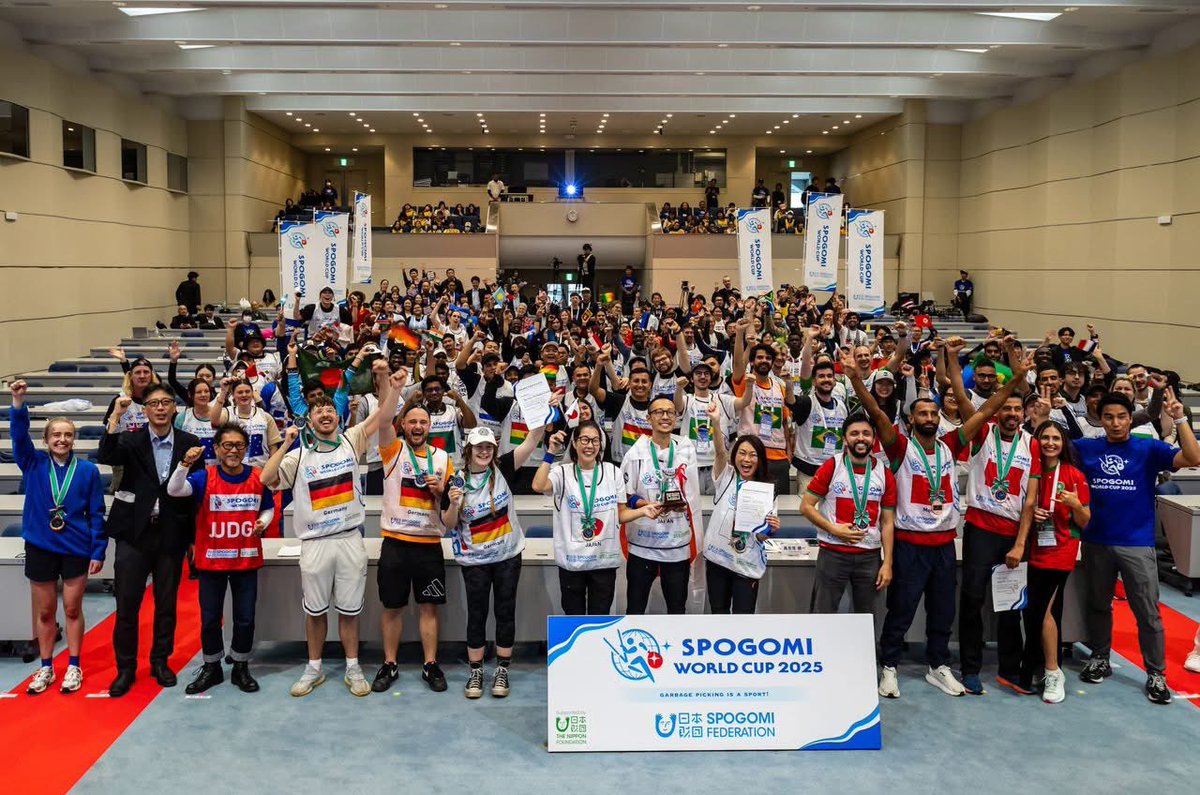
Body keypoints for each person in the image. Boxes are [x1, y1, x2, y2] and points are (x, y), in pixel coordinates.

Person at [846, 341, 1025, 699]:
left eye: (932, 413)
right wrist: (855, 380)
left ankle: (938, 665)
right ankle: (890, 666)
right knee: (901, 610)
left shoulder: (951, 443)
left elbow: (987, 410)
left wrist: (1017, 377)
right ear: (911, 419)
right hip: (910, 544)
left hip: (944, 544)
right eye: (922, 414)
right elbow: (876, 413)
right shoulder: (898, 447)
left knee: (943, 611)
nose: (929, 418)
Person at [261, 360, 392, 698]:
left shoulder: (352, 440)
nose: (324, 415)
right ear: (310, 419)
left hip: (349, 539)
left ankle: (352, 666)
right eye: (317, 412)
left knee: (350, 611)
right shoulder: (298, 454)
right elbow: (266, 479)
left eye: (329, 411)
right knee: (315, 611)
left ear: (336, 416)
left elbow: (384, 415)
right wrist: (287, 443)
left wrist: (387, 379)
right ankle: (314, 667)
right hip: (315, 543)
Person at [1073, 391, 1200, 704]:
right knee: (1099, 605)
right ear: (1099, 419)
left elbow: (1193, 457)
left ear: (1131, 418)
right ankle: (1100, 657)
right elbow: (1046, 448)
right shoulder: (1085, 448)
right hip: (1096, 540)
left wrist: (1180, 418)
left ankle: (1156, 673)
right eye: (1108, 417)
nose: (1115, 423)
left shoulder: (1148, 448)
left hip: (1136, 543)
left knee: (1147, 612)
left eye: (1121, 417)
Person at [945, 337, 1040, 696]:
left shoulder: (1032, 444)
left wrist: (1020, 541)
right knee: (972, 600)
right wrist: (952, 359)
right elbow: (958, 389)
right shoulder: (982, 432)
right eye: (1007, 410)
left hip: (1015, 532)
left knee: (1011, 603)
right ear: (997, 411)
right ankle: (969, 667)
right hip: (981, 527)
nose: (1012, 415)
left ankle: (1010, 669)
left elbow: (1031, 499)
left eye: (1018, 410)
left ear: (1024, 414)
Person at [98, 384, 203, 698]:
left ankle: (160, 661)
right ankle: (126, 668)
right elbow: (106, 454)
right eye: (154, 403)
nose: (159, 408)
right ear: (145, 410)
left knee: (166, 605)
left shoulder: (190, 443)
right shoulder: (130, 440)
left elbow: (194, 494)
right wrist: (115, 417)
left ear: (174, 408)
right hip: (133, 533)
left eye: (166, 403)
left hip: (171, 533)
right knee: (127, 604)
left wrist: (193, 537)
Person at [9, 381, 106, 695]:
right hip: (40, 546)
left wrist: (98, 550)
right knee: (46, 612)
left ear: (73, 439)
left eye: (67, 434)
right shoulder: (33, 463)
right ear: (46, 439)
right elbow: (18, 437)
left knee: (73, 609)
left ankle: (74, 665)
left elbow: (96, 512)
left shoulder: (88, 471)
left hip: (76, 547)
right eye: (56, 434)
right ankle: (46, 668)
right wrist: (18, 403)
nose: (62, 439)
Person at [166, 424, 274, 695]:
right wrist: (183, 464)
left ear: (246, 448)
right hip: (211, 562)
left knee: (245, 618)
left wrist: (262, 521)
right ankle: (212, 666)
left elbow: (269, 508)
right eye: (227, 445)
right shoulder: (204, 476)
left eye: (239, 445)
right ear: (216, 448)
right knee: (210, 618)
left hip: (246, 560)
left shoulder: (258, 477)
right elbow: (174, 490)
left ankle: (240, 666)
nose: (233, 450)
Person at [442, 424, 545, 699]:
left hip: (507, 556)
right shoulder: (455, 481)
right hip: (474, 559)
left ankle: (502, 670)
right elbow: (448, 524)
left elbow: (533, 439)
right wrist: (453, 503)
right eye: (479, 447)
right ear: (468, 449)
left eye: (488, 447)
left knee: (505, 611)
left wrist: (543, 413)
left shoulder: (504, 468)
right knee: (477, 613)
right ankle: (476, 671)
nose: (484, 451)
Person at [370, 373, 455, 695]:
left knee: (429, 607)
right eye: (412, 422)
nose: (418, 426)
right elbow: (383, 420)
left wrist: (441, 489)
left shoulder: (443, 459)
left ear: (430, 426)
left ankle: (430, 663)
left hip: (429, 545)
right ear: (403, 426)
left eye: (423, 422)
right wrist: (394, 389)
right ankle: (390, 663)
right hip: (395, 543)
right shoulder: (392, 452)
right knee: (392, 607)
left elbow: (450, 505)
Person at [1004, 420, 1091, 703]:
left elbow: (1085, 520)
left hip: (1062, 550)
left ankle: (1049, 671)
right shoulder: (1033, 472)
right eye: (1045, 438)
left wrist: (1075, 505)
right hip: (1037, 548)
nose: (1050, 443)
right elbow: (1026, 507)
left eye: (1055, 438)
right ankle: (1042, 668)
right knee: (1035, 612)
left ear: (1063, 443)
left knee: (1042, 611)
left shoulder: (1074, 474)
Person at [533, 421, 655, 615]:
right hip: (572, 562)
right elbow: (538, 486)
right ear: (574, 443)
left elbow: (620, 514)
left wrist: (643, 511)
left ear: (601, 444)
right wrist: (550, 452)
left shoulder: (612, 472)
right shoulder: (562, 472)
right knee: (573, 618)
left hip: (603, 561)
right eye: (584, 440)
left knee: (600, 619)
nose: (590, 445)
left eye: (595, 441)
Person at [802, 413, 895, 620]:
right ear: (845, 439)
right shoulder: (832, 466)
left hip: (869, 556)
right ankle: (822, 651)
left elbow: (888, 522)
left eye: (866, 434)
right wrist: (833, 529)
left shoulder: (884, 473)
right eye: (854, 434)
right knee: (822, 614)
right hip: (833, 553)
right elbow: (806, 506)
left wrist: (887, 562)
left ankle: (864, 653)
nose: (860, 438)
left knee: (867, 616)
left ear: (873, 439)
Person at [619, 397, 702, 614]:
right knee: (635, 609)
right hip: (643, 544)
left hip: (676, 545)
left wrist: (682, 505)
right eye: (658, 412)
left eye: (670, 412)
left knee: (676, 609)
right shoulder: (636, 453)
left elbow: (692, 495)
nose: (665, 416)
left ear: (676, 417)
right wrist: (645, 504)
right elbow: (626, 496)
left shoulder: (686, 451)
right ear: (649, 418)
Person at [701, 404, 780, 614]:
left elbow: (762, 536)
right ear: (734, 456)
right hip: (719, 559)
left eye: (753, 455)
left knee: (744, 616)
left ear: (760, 460)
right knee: (718, 613)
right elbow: (719, 452)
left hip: (746, 563)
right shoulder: (726, 476)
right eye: (742, 453)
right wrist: (716, 423)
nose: (746, 459)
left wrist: (770, 530)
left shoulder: (767, 491)